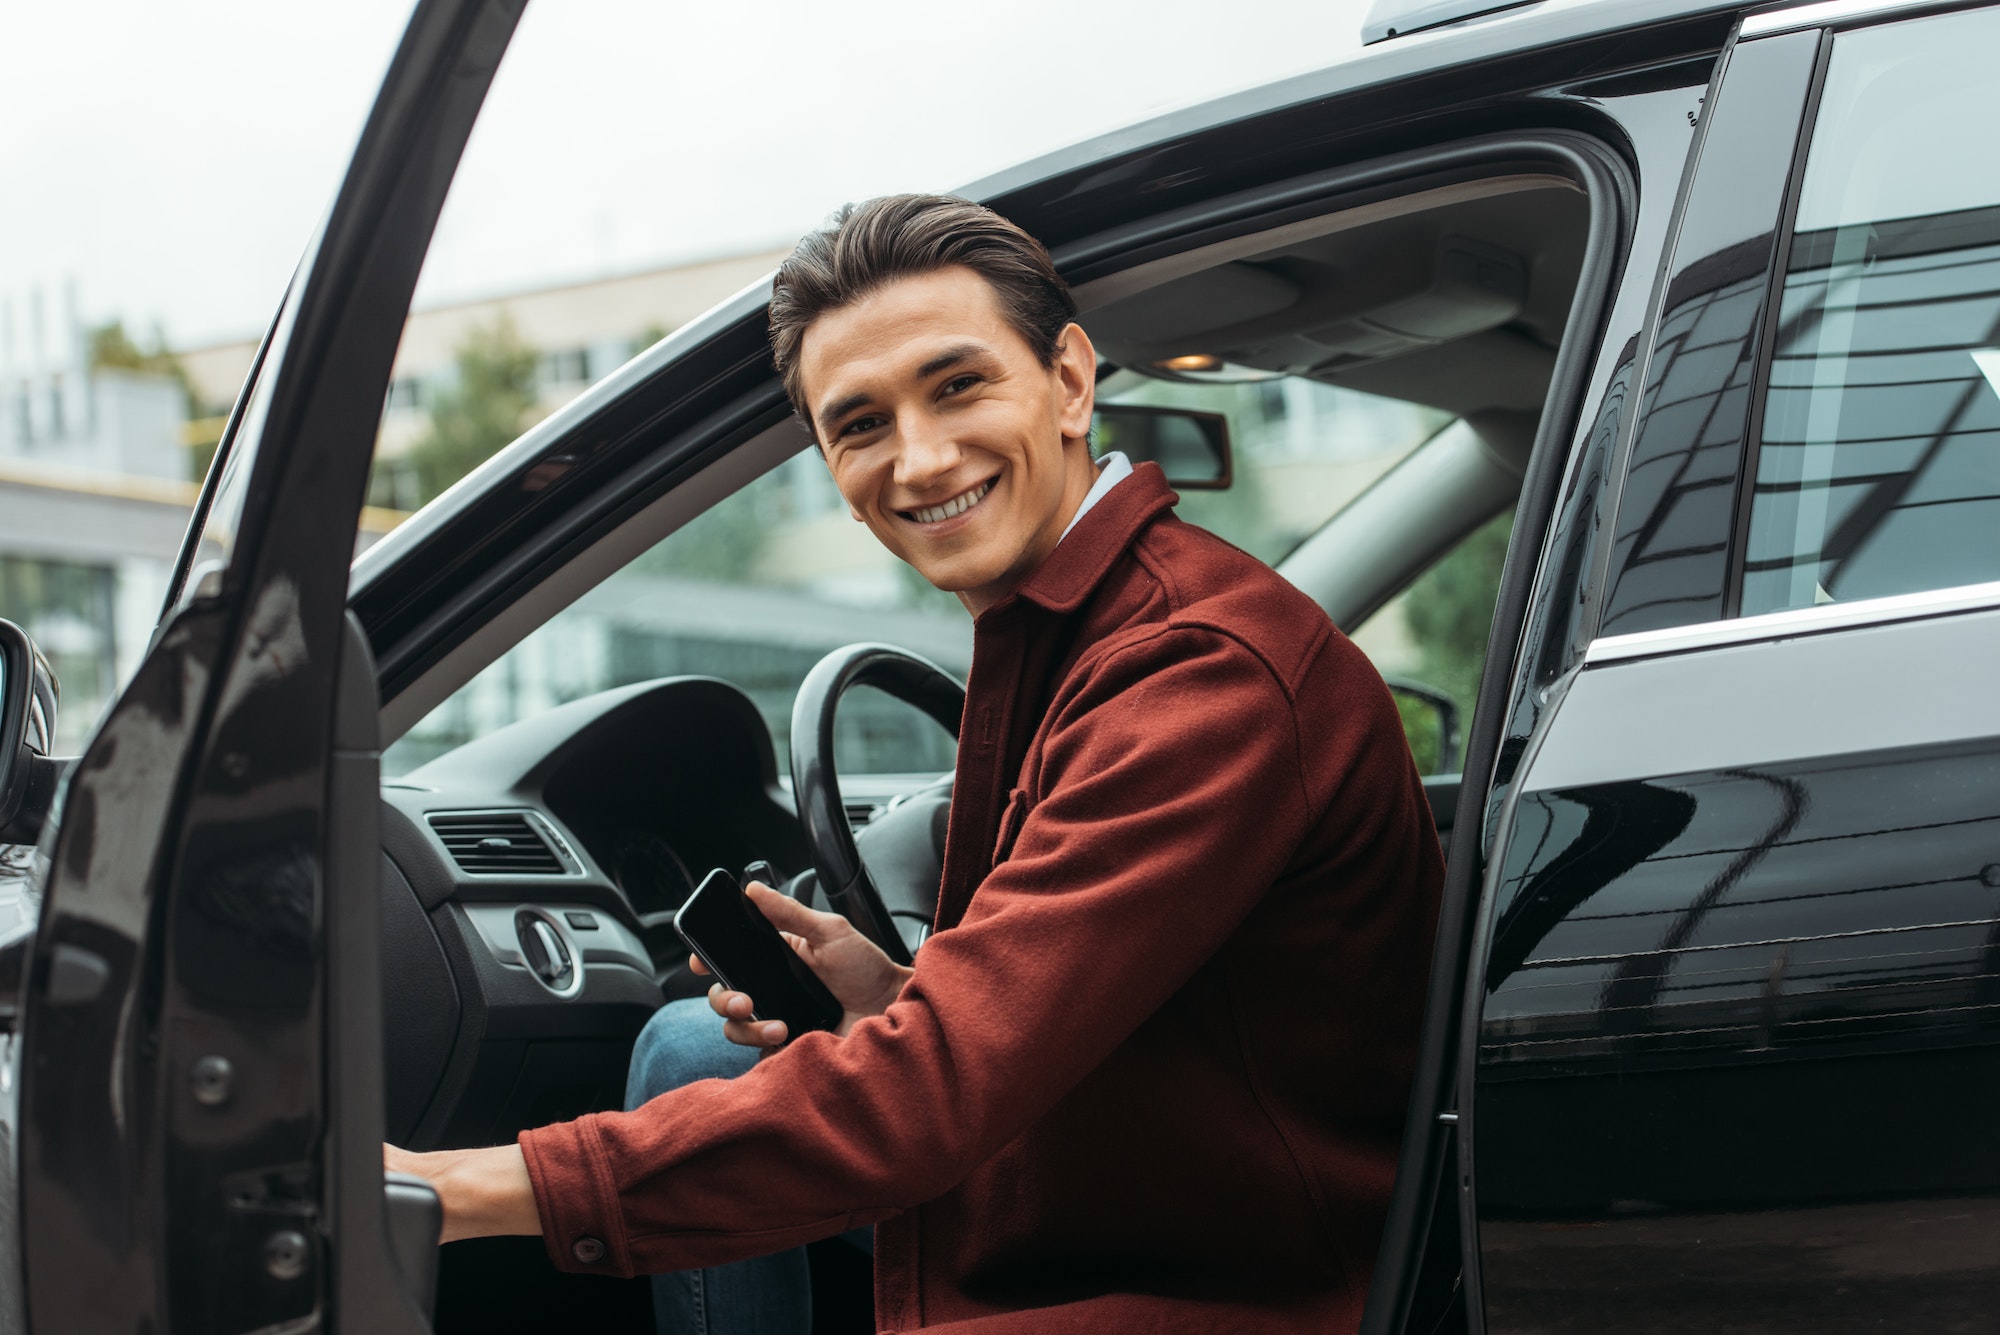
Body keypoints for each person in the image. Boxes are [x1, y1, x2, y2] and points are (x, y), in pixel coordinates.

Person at [388, 194, 1445, 1334]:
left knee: (705, 1064)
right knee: (695, 1048)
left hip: (1219, 1279)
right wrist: (895, 997)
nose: (921, 458)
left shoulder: (1194, 674)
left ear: (1070, 383)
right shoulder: (1078, 632)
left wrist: (436, 1188)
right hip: (1141, 1187)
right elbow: (1080, 1027)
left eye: (958, 386)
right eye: (860, 425)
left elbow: (930, 1099)